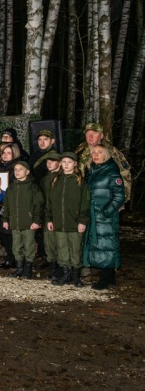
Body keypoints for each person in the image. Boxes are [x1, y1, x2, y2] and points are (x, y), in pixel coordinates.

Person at [46, 152, 90, 288]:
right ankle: (65, 273)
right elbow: (49, 202)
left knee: (75, 248)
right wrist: (49, 219)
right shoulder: (55, 180)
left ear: (75, 164)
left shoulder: (80, 182)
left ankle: (76, 275)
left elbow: (85, 202)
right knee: (62, 248)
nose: (66, 165)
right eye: (63, 162)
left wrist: (82, 220)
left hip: (74, 222)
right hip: (59, 222)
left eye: (69, 162)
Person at [84, 145, 125, 290]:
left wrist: (107, 211)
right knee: (98, 244)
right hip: (94, 213)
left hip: (105, 215)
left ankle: (106, 278)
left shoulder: (112, 172)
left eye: (99, 152)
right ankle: (108, 277)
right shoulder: (92, 170)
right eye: (93, 153)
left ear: (106, 155)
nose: (96, 155)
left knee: (107, 244)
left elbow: (119, 195)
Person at [2, 161, 44, 280]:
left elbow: (38, 205)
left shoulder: (33, 187)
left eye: (20, 169)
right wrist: (5, 219)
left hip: (29, 223)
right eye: (15, 169)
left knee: (29, 246)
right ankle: (19, 268)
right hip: (15, 223)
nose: (17, 172)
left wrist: (36, 221)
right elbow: (6, 206)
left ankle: (28, 269)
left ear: (27, 171)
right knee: (16, 246)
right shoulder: (11, 187)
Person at [75, 122, 131, 204]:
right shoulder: (80, 150)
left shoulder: (112, 152)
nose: (90, 136)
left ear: (101, 136)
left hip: (104, 200)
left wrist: (120, 201)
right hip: (82, 199)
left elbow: (125, 174)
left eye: (94, 133)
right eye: (88, 134)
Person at [39, 151, 62, 279]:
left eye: (52, 161)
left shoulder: (63, 177)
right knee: (49, 241)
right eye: (47, 162)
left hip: (59, 214)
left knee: (60, 241)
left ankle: (60, 266)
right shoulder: (45, 179)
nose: (49, 164)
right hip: (47, 213)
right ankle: (53, 265)